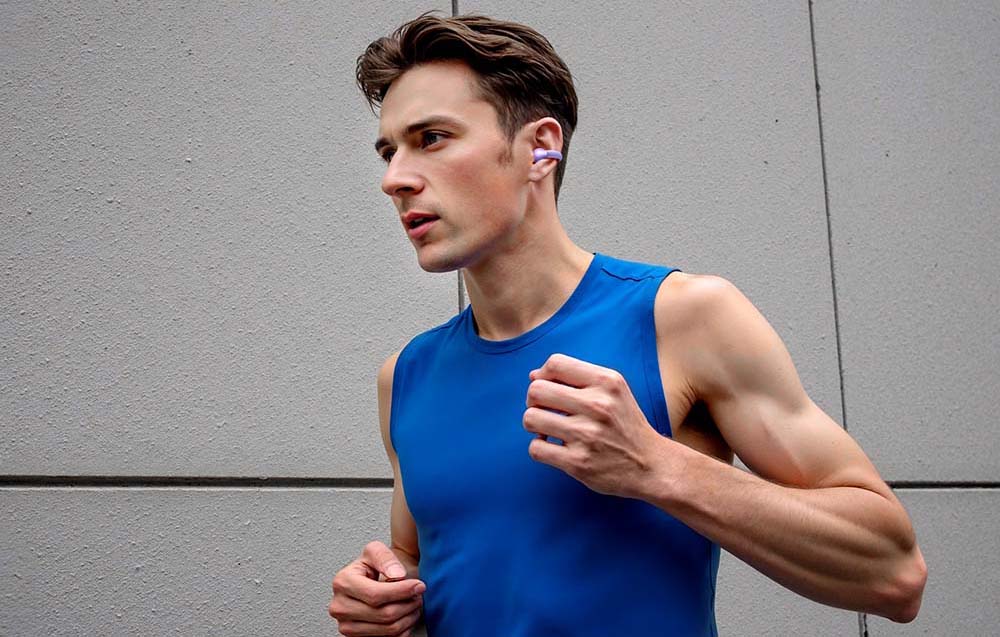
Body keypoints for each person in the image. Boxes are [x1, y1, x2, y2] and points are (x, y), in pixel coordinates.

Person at [329, 12, 927, 637]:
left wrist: (658, 468)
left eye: (431, 138)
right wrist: (386, 595)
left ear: (540, 147)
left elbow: (894, 573)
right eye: (388, 150)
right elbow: (428, 562)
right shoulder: (405, 377)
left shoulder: (686, 318)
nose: (394, 178)